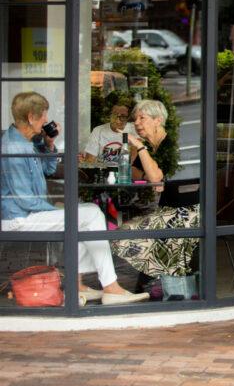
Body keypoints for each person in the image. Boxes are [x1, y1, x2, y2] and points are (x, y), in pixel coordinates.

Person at [0, 92, 148, 305]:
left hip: (29, 212)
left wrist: (49, 143)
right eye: (43, 116)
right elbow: (24, 199)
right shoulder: (13, 147)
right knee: (90, 214)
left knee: (86, 214)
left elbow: (49, 169)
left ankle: (81, 286)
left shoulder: (26, 140)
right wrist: (56, 208)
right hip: (20, 218)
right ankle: (111, 287)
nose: (45, 121)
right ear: (32, 117)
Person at [110, 100, 200, 278]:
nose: (136, 123)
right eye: (135, 119)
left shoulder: (170, 146)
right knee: (125, 234)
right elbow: (134, 172)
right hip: (162, 207)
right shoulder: (152, 146)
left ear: (158, 120)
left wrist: (140, 147)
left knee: (124, 235)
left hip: (183, 211)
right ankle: (154, 281)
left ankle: (156, 280)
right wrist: (141, 161)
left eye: (142, 118)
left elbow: (156, 178)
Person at [83, 99, 139, 163]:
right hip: (103, 170)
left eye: (123, 116)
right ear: (109, 115)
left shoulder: (133, 129)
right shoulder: (98, 130)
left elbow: (134, 155)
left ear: (128, 118)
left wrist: (123, 170)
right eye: (114, 115)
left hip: (125, 170)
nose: (118, 120)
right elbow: (90, 159)